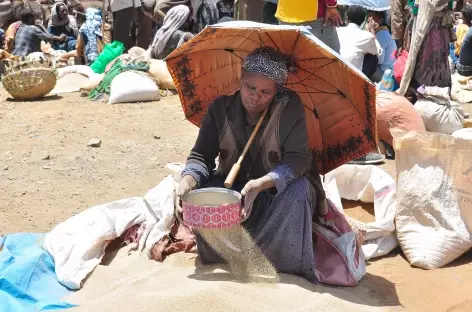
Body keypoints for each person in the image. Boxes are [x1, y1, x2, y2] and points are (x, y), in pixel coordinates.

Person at [177, 47, 328, 283]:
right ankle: (224, 258)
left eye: (266, 91)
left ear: (277, 91)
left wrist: (260, 184)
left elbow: (298, 160)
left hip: (272, 193)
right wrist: (187, 181)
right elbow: (201, 157)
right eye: (250, 87)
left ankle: (283, 267)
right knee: (202, 194)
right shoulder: (220, 109)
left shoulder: (289, 108)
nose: (255, 96)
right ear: (241, 79)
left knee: (299, 193)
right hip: (234, 190)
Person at [392, 0, 458, 93]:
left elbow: (397, 13)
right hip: (437, 27)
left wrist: (399, 39)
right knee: (435, 62)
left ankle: (420, 92)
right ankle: (436, 91)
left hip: (420, 27)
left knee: (418, 63)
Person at [275, 0, 343, 52]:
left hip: (284, 13)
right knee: (331, 58)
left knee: (292, 60)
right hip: (312, 15)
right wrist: (331, 5)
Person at [336, 6, 382, 74]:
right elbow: (379, 53)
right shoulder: (367, 36)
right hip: (352, 74)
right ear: (363, 21)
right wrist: (372, 31)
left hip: (334, 67)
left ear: (347, 18)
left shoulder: (337, 30)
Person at [366, 10, 397, 82]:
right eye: (368, 19)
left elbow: (379, 60)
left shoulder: (381, 34)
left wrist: (372, 31)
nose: (370, 22)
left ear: (380, 20)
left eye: (373, 19)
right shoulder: (381, 31)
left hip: (385, 74)